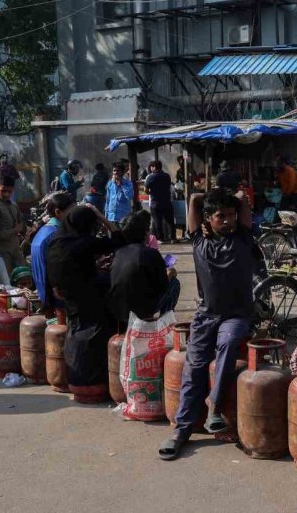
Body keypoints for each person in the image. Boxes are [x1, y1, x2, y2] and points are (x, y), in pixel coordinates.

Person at [159, 188, 254, 461]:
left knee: (227, 343)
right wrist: (212, 201)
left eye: (231, 215)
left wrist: (232, 200)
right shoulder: (199, 240)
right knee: (194, 367)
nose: (227, 220)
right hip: (206, 315)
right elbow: (193, 199)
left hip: (237, 315)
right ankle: (181, 430)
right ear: (207, 220)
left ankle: (214, 405)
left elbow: (243, 201)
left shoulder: (243, 238)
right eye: (220, 216)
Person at [46, 205, 126, 401]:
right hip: (89, 297)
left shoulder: (55, 241)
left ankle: (77, 380)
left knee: (77, 330)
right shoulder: (83, 242)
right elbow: (118, 240)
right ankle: (102, 380)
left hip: (67, 297)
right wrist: (102, 217)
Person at [108, 210, 180, 324]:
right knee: (174, 283)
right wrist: (170, 273)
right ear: (145, 232)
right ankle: (165, 322)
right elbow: (163, 285)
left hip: (118, 308)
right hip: (141, 309)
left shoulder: (119, 252)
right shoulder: (150, 253)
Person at [30, 192, 74, 310]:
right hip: (54, 296)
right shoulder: (56, 235)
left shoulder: (44, 230)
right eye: (71, 211)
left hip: (43, 291)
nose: (74, 214)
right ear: (58, 212)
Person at [0, 176, 27, 285]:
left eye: (10, 191)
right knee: (4, 287)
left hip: (15, 250)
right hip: (0, 252)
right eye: (3, 191)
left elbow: (20, 224)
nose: (7, 194)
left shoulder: (14, 205)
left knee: (23, 282)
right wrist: (15, 230)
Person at [144, 160, 175, 243]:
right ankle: (172, 238)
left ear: (154, 167)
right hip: (167, 202)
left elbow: (146, 190)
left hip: (155, 203)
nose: (150, 168)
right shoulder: (167, 176)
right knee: (170, 221)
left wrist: (152, 192)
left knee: (158, 221)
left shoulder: (151, 177)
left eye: (151, 166)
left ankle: (161, 239)